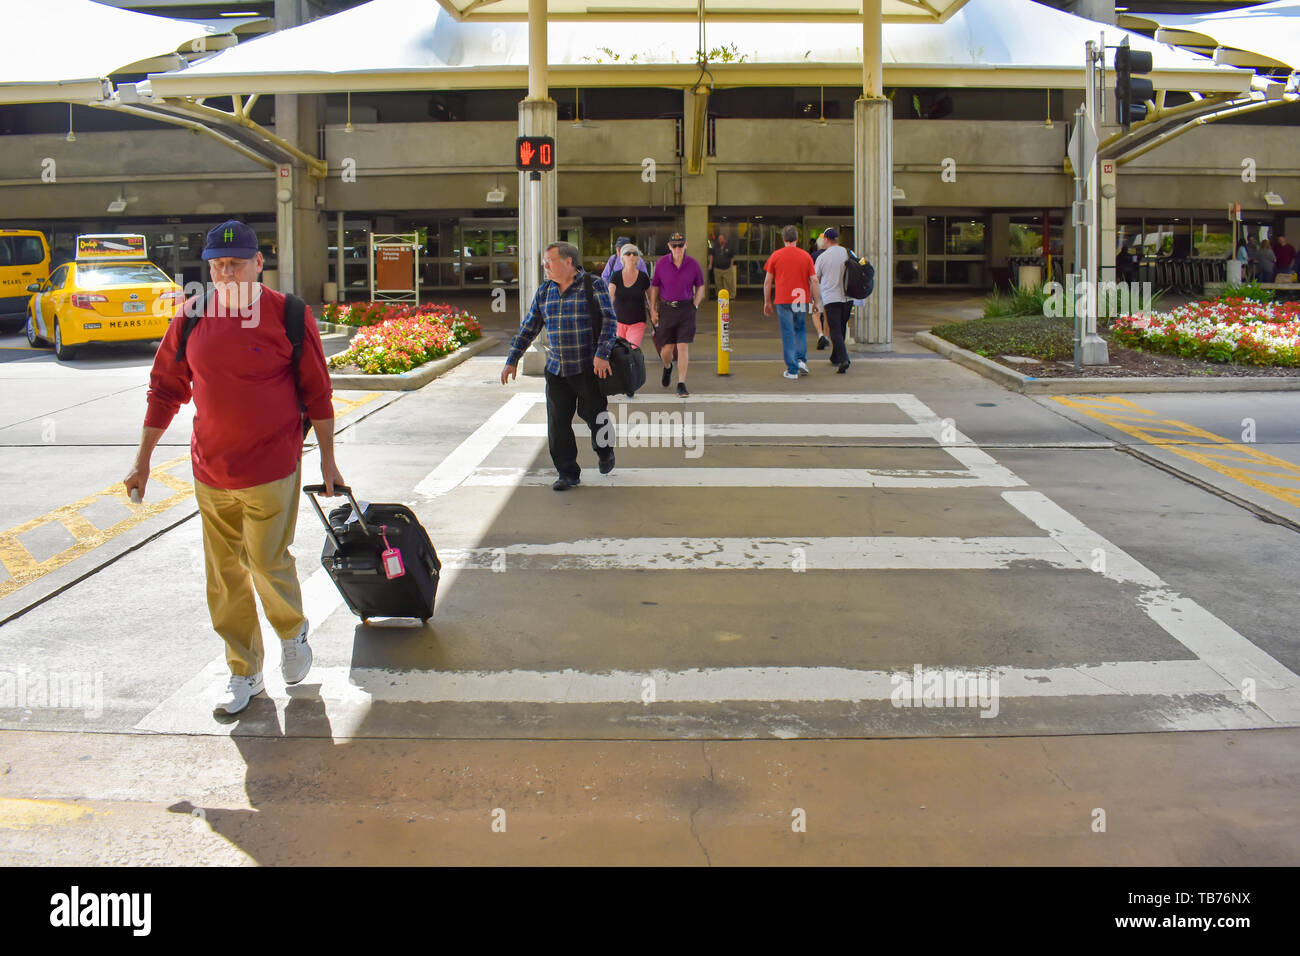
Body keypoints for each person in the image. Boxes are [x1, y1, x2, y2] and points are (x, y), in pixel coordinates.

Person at [124, 219, 342, 718]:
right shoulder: (191, 317)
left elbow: (318, 392)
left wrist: (328, 459)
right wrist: (142, 461)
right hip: (210, 470)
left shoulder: (288, 315)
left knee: (266, 561)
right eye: (217, 265)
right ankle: (244, 671)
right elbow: (165, 390)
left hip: (272, 464)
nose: (225, 273)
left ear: (259, 263)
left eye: (236, 263)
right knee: (224, 576)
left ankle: (293, 632)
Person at [502, 241, 616, 491]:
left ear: (568, 262)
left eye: (549, 261)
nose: (545, 266)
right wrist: (513, 359)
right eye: (544, 262)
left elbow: (609, 320)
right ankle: (567, 473)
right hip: (556, 370)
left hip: (588, 368)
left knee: (596, 416)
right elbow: (530, 326)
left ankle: (605, 450)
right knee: (557, 423)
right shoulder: (545, 292)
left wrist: (602, 354)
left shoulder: (592, 285)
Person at [649, 232, 705, 398]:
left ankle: (681, 383)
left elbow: (700, 286)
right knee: (666, 350)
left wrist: (695, 305)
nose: (678, 248)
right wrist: (653, 309)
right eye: (674, 245)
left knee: (682, 346)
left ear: (686, 245)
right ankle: (667, 367)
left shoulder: (693, 264)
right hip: (667, 310)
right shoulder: (661, 264)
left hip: (686, 309)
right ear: (669, 246)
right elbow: (655, 287)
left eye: (680, 245)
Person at [764, 224, 823, 380]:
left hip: (783, 299)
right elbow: (814, 281)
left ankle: (792, 369)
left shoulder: (775, 256)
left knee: (788, 332)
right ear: (797, 239)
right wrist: (816, 302)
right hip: (800, 299)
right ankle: (801, 360)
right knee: (800, 328)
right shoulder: (806, 256)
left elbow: (768, 281)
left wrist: (767, 301)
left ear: (783, 239)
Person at [814, 228, 851, 373]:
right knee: (841, 326)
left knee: (835, 329)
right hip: (848, 296)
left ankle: (843, 359)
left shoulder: (823, 257)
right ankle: (835, 356)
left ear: (826, 240)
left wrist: (815, 299)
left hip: (831, 297)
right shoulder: (848, 252)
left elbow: (816, 279)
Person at [608, 244, 652, 349]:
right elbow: (610, 297)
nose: (631, 256)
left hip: (638, 321)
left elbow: (650, 297)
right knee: (620, 352)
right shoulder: (616, 276)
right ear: (622, 257)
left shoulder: (643, 277)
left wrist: (653, 312)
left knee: (632, 349)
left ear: (638, 258)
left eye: (635, 254)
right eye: (628, 253)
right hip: (619, 322)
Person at [708, 232, 737, 301]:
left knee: (729, 283)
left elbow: (732, 257)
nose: (720, 240)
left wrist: (731, 266)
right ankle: (720, 298)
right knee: (718, 285)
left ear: (724, 239)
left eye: (721, 239)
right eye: (719, 239)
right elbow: (712, 255)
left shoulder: (729, 246)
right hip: (717, 268)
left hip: (727, 268)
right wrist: (710, 264)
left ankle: (731, 297)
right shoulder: (715, 245)